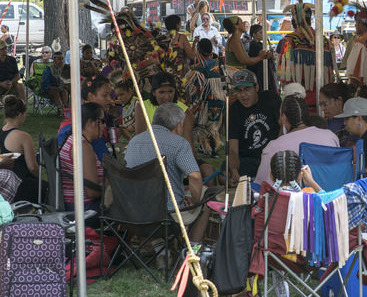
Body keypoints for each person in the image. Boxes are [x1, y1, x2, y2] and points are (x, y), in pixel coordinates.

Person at [125, 102, 209, 243]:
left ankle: (162, 251)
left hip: (135, 212)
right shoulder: (179, 143)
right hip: (167, 215)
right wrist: (195, 201)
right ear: (178, 126)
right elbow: (195, 176)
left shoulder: (134, 142)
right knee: (206, 198)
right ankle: (193, 251)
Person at [254, 94, 339, 186]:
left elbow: (261, 185)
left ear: (284, 118)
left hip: (295, 199)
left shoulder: (274, 146)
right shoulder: (330, 136)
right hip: (331, 197)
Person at [276, 0, 336, 108]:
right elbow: (330, 74)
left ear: (294, 20)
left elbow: (283, 76)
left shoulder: (288, 42)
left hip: (298, 102)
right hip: (322, 101)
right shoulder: (325, 41)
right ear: (310, 19)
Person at [228, 69, 281, 183]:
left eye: (247, 89)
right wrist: (234, 170)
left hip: (272, 156)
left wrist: (277, 150)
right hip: (248, 160)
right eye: (239, 90)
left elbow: (283, 127)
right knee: (224, 176)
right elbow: (233, 149)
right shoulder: (233, 110)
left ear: (256, 88)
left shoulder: (270, 98)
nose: (243, 95)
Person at [58, 76, 114, 162]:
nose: (110, 99)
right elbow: (105, 164)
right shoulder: (91, 128)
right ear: (91, 96)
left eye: (110, 95)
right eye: (105, 95)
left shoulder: (80, 118)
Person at [60, 102, 103, 212]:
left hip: (71, 204)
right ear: (90, 123)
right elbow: (92, 192)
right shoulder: (82, 147)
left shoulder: (73, 139)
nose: (104, 126)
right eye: (101, 121)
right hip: (83, 209)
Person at [0, 95, 41, 203]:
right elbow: (32, 167)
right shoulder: (23, 137)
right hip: (21, 184)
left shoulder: (1, 132)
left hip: (4, 183)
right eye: (25, 114)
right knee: (47, 188)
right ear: (20, 114)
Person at [319, 82, 358, 147]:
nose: (322, 108)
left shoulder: (353, 125)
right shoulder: (325, 124)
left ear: (339, 101)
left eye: (325, 104)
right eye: (321, 104)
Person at [247, 24, 277, 92]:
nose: (263, 34)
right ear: (254, 34)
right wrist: (270, 53)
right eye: (260, 32)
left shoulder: (257, 44)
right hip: (258, 70)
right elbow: (265, 55)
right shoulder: (255, 44)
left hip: (260, 69)